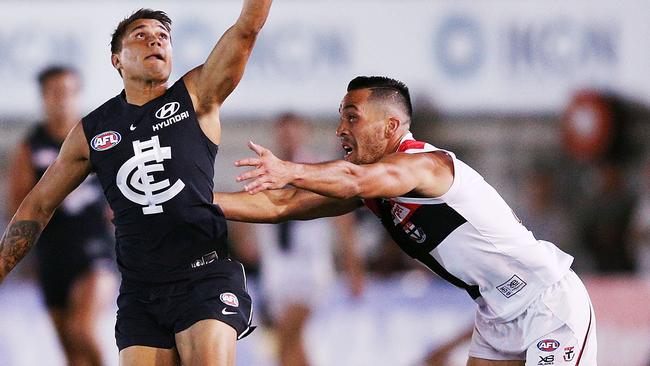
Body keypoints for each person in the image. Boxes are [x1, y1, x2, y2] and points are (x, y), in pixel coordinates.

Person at [214, 76, 598, 365]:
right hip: (496, 312)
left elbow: (352, 178)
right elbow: (283, 206)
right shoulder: (373, 189)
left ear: (390, 128)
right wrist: (198, 202)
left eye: (352, 118)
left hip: (545, 301)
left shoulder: (426, 166)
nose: (340, 130)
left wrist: (289, 168)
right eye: (339, 119)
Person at [0, 2, 272, 366]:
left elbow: (246, 29)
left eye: (163, 37)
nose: (154, 42)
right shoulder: (92, 131)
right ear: (117, 60)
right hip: (141, 293)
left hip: (205, 277)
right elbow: (38, 204)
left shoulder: (196, 95)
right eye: (141, 36)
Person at [229, 112, 364, 366]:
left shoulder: (315, 170)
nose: (289, 138)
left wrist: (353, 265)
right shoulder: (265, 172)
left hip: (310, 268)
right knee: (290, 344)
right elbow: (242, 207)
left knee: (288, 336)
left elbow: (344, 222)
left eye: (294, 132)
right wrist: (243, 241)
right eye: (284, 132)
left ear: (304, 135)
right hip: (276, 271)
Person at [8, 65, 116, 366]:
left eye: (69, 92)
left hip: (94, 249)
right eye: (55, 93)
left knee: (81, 328)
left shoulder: (98, 138)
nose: (62, 100)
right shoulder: (31, 146)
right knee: (69, 349)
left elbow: (121, 191)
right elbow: (18, 207)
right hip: (52, 256)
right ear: (43, 98)